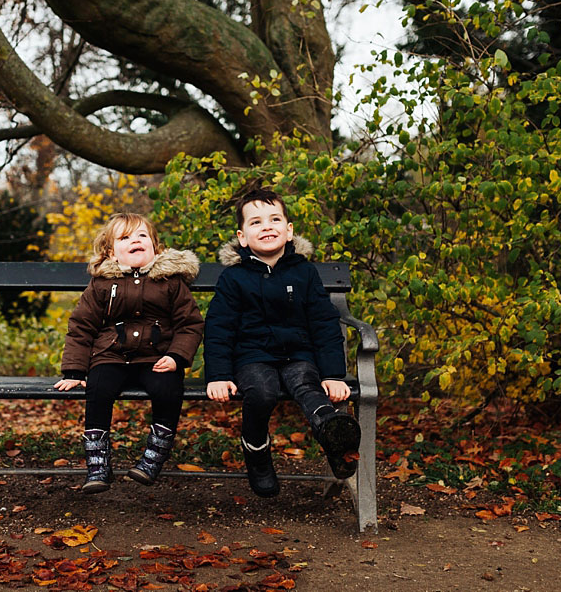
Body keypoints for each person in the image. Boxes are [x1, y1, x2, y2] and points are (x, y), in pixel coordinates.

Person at [204, 188, 361, 497]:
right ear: (242, 236)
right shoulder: (233, 278)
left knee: (306, 382)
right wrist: (219, 375)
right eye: (256, 222)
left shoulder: (304, 273)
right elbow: (218, 328)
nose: (267, 227)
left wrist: (332, 374)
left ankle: (334, 437)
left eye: (275, 219)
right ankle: (256, 450)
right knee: (261, 391)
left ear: (289, 231)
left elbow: (324, 324)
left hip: (298, 355)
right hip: (251, 358)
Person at [55, 213, 204, 493]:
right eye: (125, 238)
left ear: (155, 248)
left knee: (169, 388)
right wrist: (75, 370)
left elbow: (190, 323)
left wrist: (176, 357)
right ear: (112, 252)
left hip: (155, 356)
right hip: (111, 355)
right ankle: (98, 462)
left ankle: (154, 455)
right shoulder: (102, 284)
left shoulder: (170, 282)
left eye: (141, 236)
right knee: (98, 388)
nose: (135, 241)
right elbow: (81, 326)